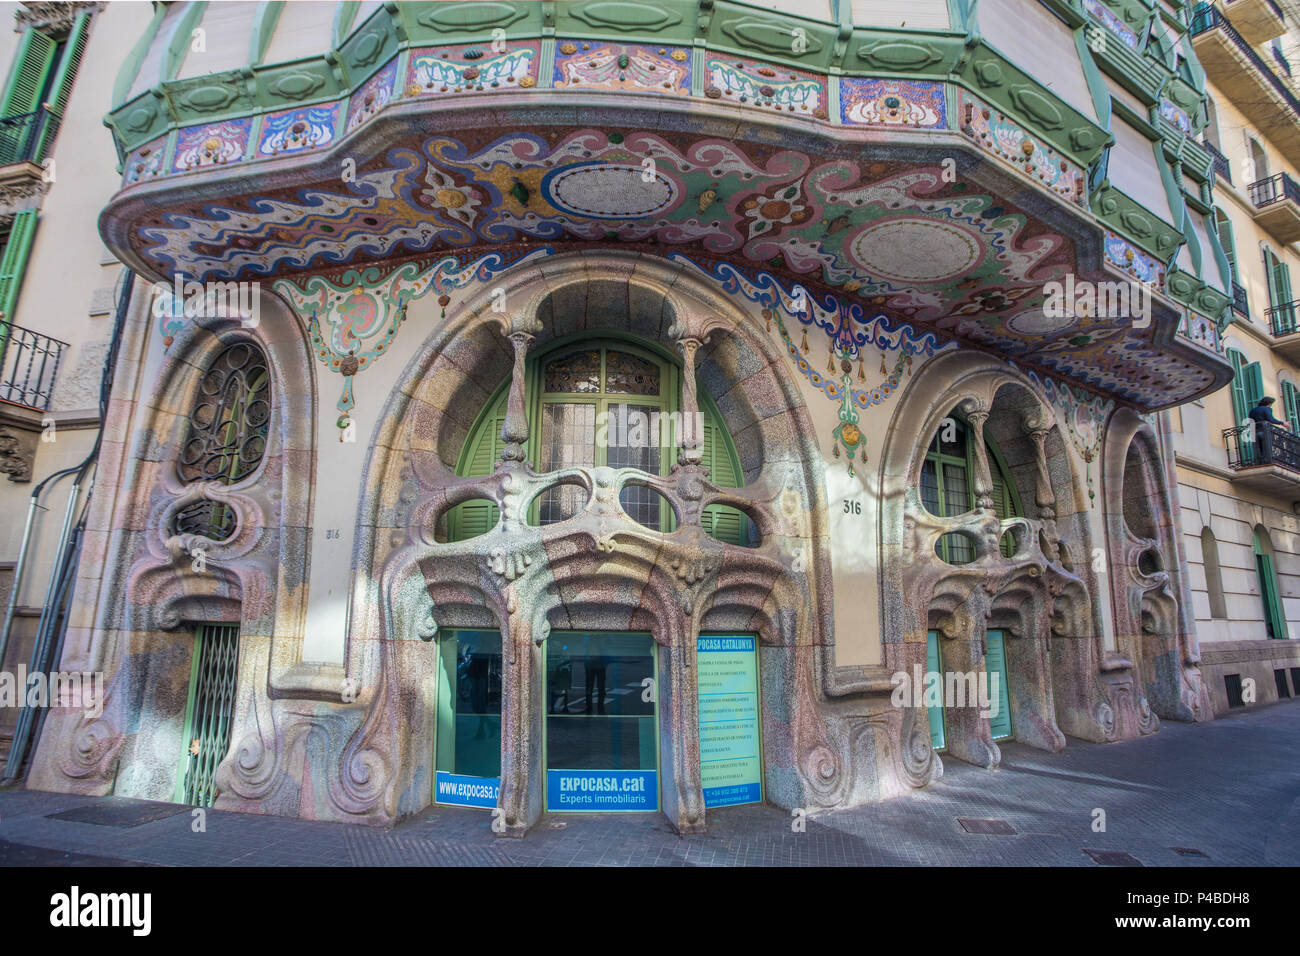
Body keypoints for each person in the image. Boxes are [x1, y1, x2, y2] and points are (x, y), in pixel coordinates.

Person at [1248, 397, 1287, 463]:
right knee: (1266, 447)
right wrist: (1282, 423)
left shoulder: (1253, 410)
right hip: (1264, 431)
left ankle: (1260, 462)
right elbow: (1271, 419)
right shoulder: (1267, 409)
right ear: (1269, 403)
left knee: (1259, 448)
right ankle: (1266, 462)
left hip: (1255, 431)